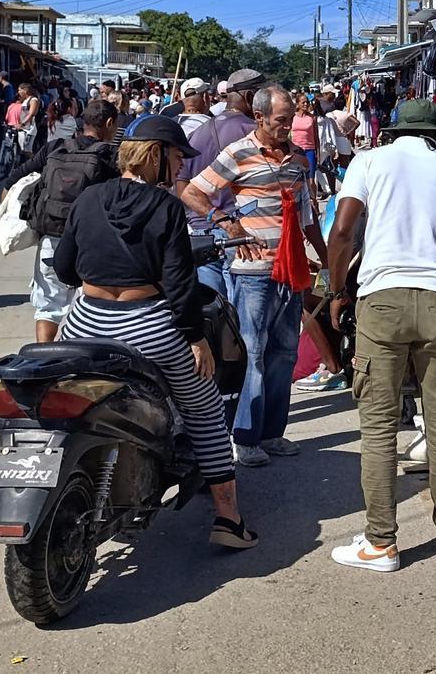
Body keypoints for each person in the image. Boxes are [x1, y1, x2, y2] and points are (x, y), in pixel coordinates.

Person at [53, 115, 257, 549]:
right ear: (156, 156)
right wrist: (195, 338)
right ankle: (229, 519)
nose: (180, 167)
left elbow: (64, 269)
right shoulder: (165, 208)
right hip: (148, 325)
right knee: (204, 408)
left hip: (85, 323)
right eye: (177, 158)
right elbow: (181, 285)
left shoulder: (89, 198)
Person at [327, 98, 436, 572]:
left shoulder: (368, 162)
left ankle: (381, 543)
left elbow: (343, 232)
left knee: (378, 429)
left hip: (383, 300)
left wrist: (335, 291)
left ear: (394, 131)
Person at [182, 85, 328, 467]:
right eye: (281, 120)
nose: (288, 127)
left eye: (290, 119)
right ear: (260, 118)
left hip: (291, 271)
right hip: (253, 273)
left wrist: (326, 259)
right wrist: (226, 223)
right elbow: (194, 192)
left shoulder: (297, 160)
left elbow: (306, 216)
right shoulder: (238, 153)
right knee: (253, 353)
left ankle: (272, 433)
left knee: (285, 353)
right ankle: (244, 438)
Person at [4, 99, 120, 343]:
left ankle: (45, 360)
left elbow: (15, 178)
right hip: (93, 244)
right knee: (89, 308)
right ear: (110, 124)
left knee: (48, 307)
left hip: (53, 237)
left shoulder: (56, 147)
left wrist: (6, 212)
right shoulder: (111, 156)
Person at [176, 68, 266, 300]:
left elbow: (182, 185)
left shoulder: (198, 133)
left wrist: (206, 216)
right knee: (242, 322)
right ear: (249, 97)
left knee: (214, 316)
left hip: (202, 232)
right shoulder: (256, 135)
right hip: (243, 234)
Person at [291, 92, 319, 202]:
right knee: (297, 179)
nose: (306, 104)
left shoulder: (312, 118)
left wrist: (318, 154)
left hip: (309, 150)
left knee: (311, 180)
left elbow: (316, 137)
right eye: (303, 102)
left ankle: (314, 201)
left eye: (307, 102)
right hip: (297, 151)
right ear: (297, 104)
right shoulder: (292, 117)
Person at [17, 83, 43, 153]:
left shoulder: (33, 100)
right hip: (23, 128)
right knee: (22, 150)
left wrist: (23, 123)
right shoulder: (24, 100)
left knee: (27, 151)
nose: (18, 92)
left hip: (30, 128)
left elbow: (31, 114)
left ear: (25, 90)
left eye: (20, 90)